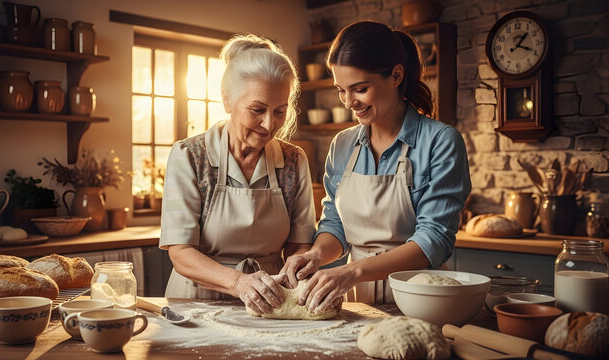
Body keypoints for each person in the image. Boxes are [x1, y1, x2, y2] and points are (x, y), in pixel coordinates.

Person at [281, 20, 471, 313]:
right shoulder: (342, 145)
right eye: (341, 90)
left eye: (360, 89)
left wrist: (352, 271)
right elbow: (335, 223)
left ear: (396, 75)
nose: (348, 102)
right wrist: (317, 254)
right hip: (355, 301)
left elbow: (433, 240)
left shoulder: (440, 141)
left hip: (419, 298)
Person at [159, 34, 316, 315]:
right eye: (257, 110)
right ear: (227, 100)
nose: (269, 124)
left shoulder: (294, 161)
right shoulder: (190, 156)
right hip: (195, 303)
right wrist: (238, 282)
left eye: (280, 111)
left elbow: (299, 244)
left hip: (271, 299)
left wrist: (298, 275)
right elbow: (180, 253)